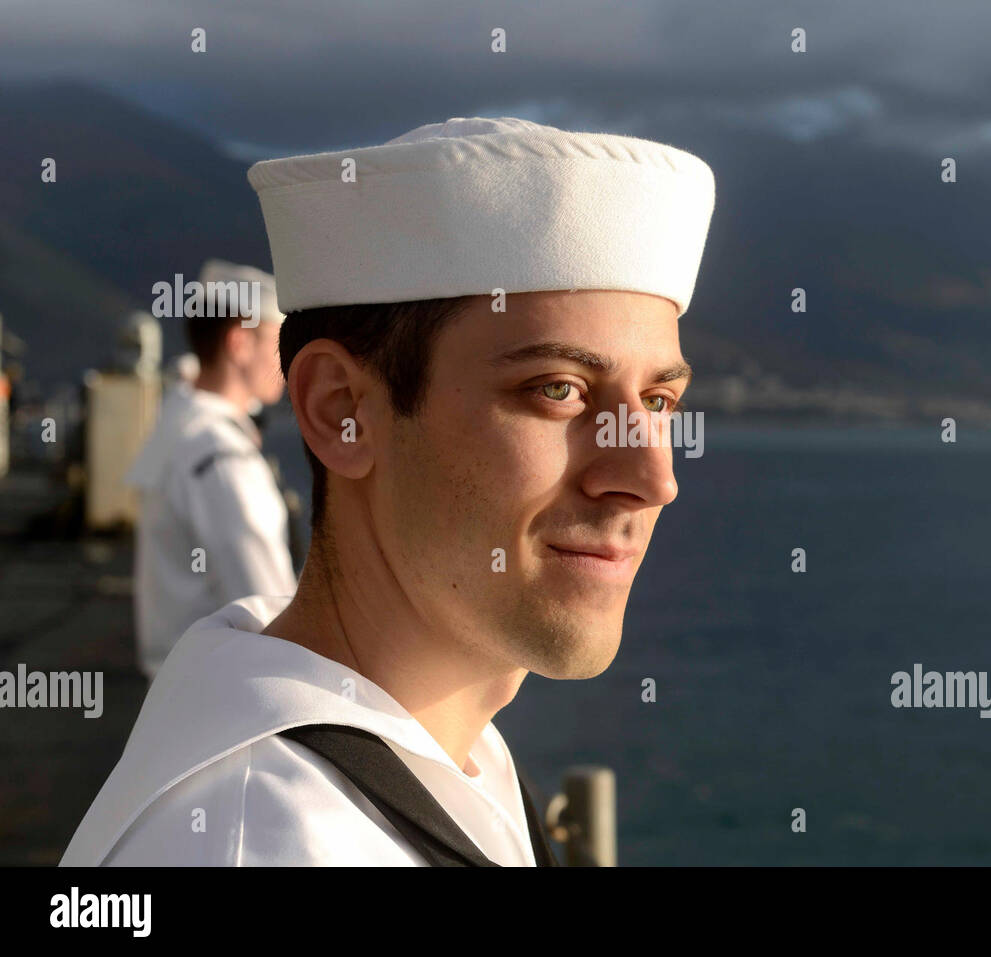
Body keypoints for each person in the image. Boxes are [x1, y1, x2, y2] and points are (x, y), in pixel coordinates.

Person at [61, 116, 715, 866]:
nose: (652, 478)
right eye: (558, 390)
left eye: (659, 403)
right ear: (342, 409)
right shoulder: (266, 842)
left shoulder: (448, 760)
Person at [125, 260, 297, 679]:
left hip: (180, 684)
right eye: (277, 343)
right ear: (238, 343)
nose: (286, 361)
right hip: (224, 692)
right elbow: (271, 609)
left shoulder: (180, 419)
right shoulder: (221, 457)